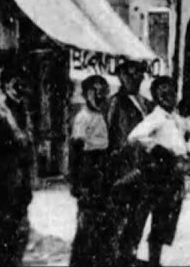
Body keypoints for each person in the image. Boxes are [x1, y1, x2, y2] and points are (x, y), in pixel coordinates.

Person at [127, 76, 190, 267]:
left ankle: (155, 261)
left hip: (174, 174)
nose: (168, 97)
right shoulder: (157, 117)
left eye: (171, 92)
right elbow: (134, 136)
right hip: (158, 173)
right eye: (162, 94)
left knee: (165, 219)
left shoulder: (176, 118)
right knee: (151, 216)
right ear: (156, 97)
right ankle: (131, 257)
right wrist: (156, 149)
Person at [0, 66, 34, 267]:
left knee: (17, 241)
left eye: (22, 83)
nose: (19, 87)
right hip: (3, 189)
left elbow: (28, 153)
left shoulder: (24, 115)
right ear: (5, 86)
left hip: (20, 190)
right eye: (14, 83)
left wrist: (29, 184)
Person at [107, 60, 154, 266]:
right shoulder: (115, 103)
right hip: (124, 167)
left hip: (145, 166)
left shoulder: (146, 103)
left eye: (139, 74)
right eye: (130, 74)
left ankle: (129, 255)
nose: (135, 78)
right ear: (121, 76)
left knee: (140, 213)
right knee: (122, 215)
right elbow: (110, 136)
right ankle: (118, 257)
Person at [70, 75, 113, 267]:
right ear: (86, 94)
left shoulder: (101, 115)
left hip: (102, 169)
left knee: (101, 223)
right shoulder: (83, 118)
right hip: (89, 168)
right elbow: (76, 152)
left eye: (103, 91)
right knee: (87, 225)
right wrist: (77, 183)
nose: (100, 96)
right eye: (95, 92)